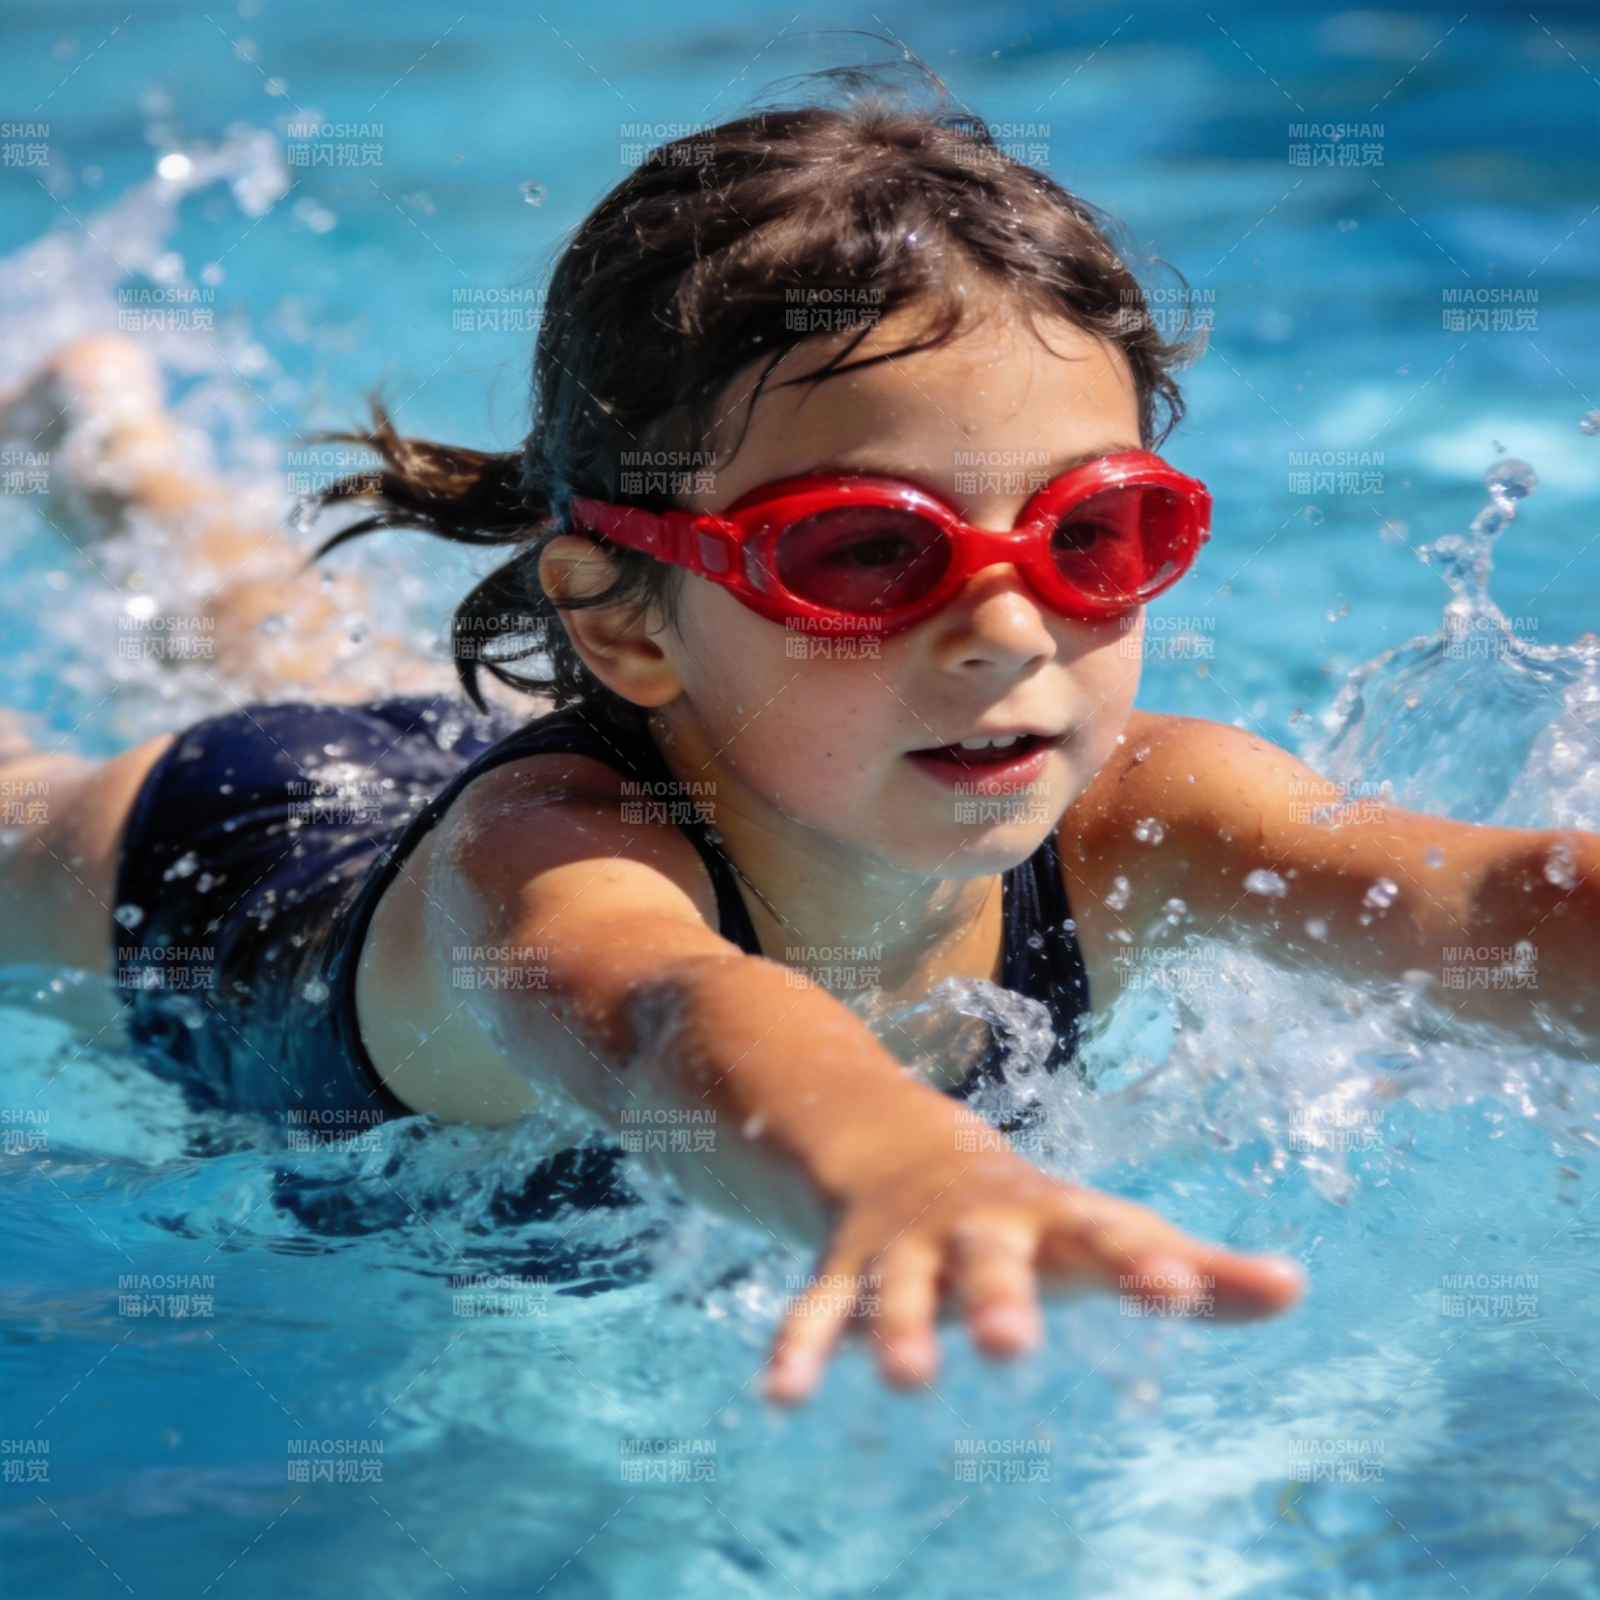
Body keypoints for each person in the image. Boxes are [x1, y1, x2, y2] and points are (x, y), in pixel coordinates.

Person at [2, 95, 1594, 1408]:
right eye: (864, 554)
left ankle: (120, 467)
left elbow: (1479, 904)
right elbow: (666, 1018)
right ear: (625, 624)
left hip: (623, 747)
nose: (1006, 629)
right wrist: (897, 1165)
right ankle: (125, 482)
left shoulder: (1142, 808)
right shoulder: (534, 879)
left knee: (326, 655)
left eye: (1094, 533)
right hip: (241, 876)